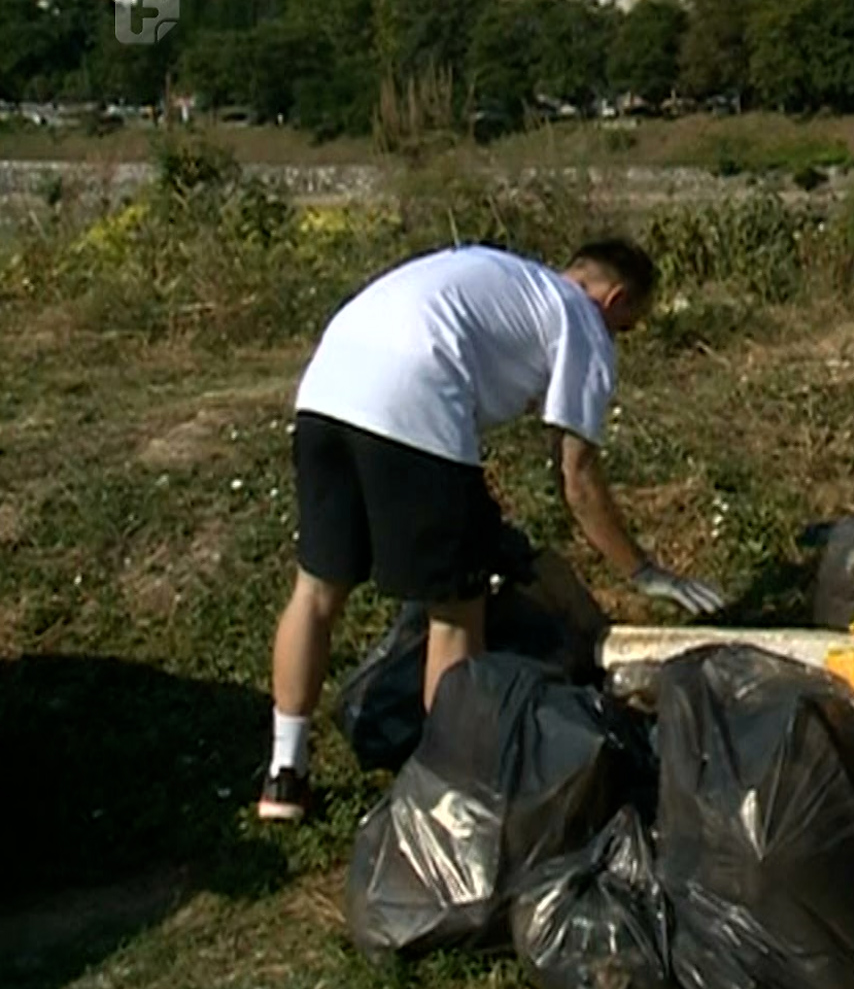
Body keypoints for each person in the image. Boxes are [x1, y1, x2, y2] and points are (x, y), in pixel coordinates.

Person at [258, 240, 727, 822]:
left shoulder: (497, 273)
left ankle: (285, 776)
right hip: (415, 397)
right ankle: (449, 795)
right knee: (455, 610)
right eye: (625, 328)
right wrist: (644, 570)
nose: (616, 342)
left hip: (325, 390)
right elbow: (576, 476)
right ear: (615, 298)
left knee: (316, 591)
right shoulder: (580, 317)